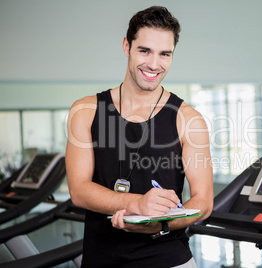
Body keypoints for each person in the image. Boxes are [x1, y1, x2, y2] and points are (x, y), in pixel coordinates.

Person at [66, 6, 213, 267]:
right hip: (101, 258)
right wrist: (138, 204)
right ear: (126, 46)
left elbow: (203, 201)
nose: (154, 64)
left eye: (164, 54)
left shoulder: (189, 119)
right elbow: (79, 190)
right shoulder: (85, 111)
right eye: (144, 50)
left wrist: (159, 224)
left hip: (168, 257)